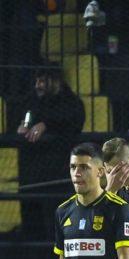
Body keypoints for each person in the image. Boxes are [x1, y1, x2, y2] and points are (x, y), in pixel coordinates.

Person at [16, 67, 85, 246]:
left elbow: (73, 119)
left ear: (56, 82)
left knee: (56, 224)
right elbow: (25, 118)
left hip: (56, 175)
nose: (38, 85)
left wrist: (46, 124)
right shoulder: (32, 101)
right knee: (32, 225)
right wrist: (23, 127)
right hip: (32, 175)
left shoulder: (70, 102)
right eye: (37, 81)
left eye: (42, 81)